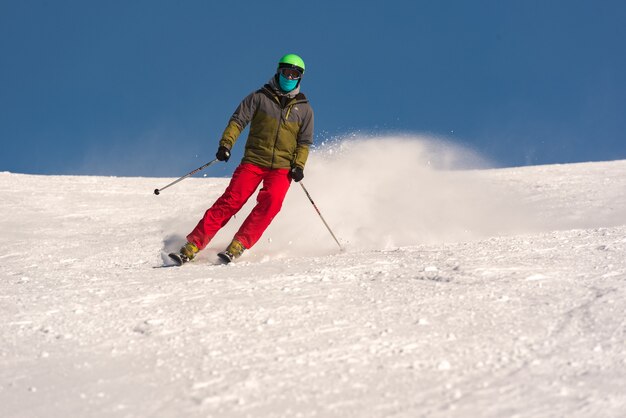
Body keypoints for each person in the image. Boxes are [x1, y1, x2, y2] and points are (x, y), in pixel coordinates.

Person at [169, 53, 314, 265]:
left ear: (300, 78)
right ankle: (193, 245)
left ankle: (239, 243)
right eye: (286, 72)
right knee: (231, 201)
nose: (289, 77)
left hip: (282, 168)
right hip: (254, 161)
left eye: (294, 74)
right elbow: (238, 121)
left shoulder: (305, 109)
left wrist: (299, 165)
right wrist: (225, 145)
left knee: (272, 202)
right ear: (278, 71)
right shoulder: (259, 97)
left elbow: (304, 142)